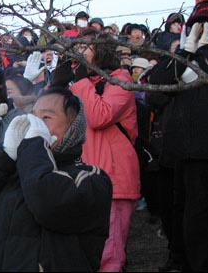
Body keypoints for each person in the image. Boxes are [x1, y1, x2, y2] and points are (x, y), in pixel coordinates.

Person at [0, 87, 113, 271]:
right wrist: (5, 154)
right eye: (32, 116)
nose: (34, 124)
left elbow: (47, 205)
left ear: (72, 129)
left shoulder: (91, 180)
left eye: (46, 117)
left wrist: (34, 146)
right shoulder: (15, 173)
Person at [148, 0, 208, 272]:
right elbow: (155, 89)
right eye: (198, 26)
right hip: (188, 157)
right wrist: (186, 50)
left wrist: (207, 50)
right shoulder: (187, 59)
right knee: (194, 228)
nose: (205, 31)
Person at [52, 33, 140, 272]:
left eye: (85, 47)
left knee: (108, 253)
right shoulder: (83, 85)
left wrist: (80, 82)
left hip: (114, 178)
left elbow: (100, 116)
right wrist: (57, 85)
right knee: (83, 251)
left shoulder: (121, 80)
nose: (79, 51)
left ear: (101, 51)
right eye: (77, 47)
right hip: (83, 177)